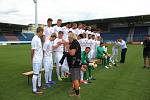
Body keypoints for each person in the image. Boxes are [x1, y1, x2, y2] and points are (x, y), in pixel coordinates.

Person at [67, 32, 82, 97]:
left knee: (75, 79)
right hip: (77, 62)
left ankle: (77, 94)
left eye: (68, 37)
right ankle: (75, 90)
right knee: (77, 78)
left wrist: (68, 49)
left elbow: (72, 53)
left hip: (74, 63)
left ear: (71, 37)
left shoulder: (74, 43)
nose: (68, 39)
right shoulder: (76, 42)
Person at [31, 27, 44, 94]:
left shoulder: (38, 38)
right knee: (35, 74)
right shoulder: (35, 39)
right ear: (40, 31)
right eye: (42, 31)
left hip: (39, 59)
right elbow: (32, 50)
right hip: (36, 60)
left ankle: (39, 86)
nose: (43, 33)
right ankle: (34, 90)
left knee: (39, 73)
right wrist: (32, 59)